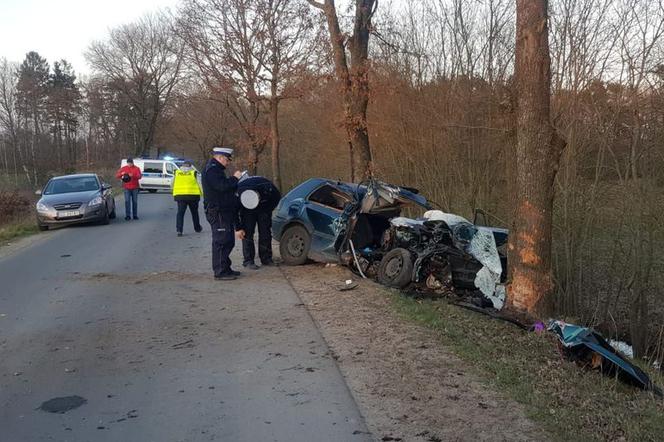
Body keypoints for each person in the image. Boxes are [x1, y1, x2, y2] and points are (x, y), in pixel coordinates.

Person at [202, 147, 245, 281]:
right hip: (217, 210)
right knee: (221, 241)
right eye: (227, 160)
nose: (228, 163)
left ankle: (225, 267)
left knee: (228, 240)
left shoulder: (216, 169)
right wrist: (235, 178)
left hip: (223, 209)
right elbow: (222, 186)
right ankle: (220, 271)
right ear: (220, 157)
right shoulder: (212, 170)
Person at [237, 176, 281, 269]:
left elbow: (277, 197)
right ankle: (248, 260)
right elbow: (234, 210)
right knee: (247, 234)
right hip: (247, 210)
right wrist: (238, 227)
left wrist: (268, 209)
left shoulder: (267, 187)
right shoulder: (239, 191)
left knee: (265, 232)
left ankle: (266, 258)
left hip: (264, 207)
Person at [172, 160, 203, 236]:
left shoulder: (177, 173)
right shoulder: (194, 173)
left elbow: (172, 183)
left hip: (180, 196)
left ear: (182, 166)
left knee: (180, 213)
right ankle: (197, 228)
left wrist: (174, 190)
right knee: (194, 213)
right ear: (190, 166)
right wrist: (203, 194)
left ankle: (179, 230)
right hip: (193, 196)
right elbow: (200, 184)